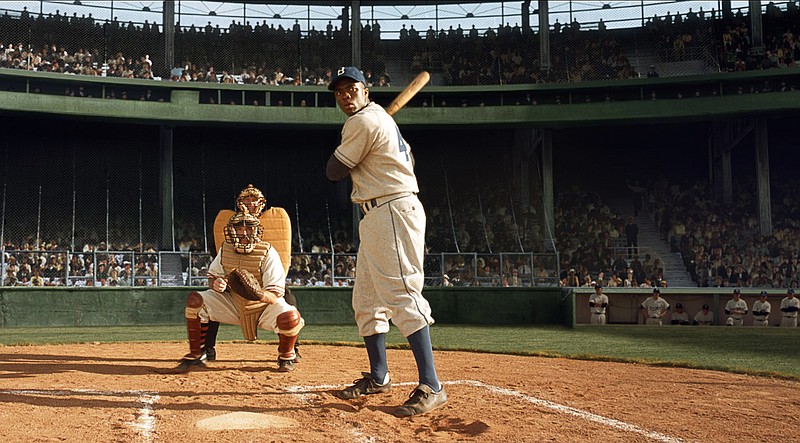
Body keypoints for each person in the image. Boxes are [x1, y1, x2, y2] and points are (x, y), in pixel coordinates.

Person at [325, 66, 447, 417]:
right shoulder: (379, 121)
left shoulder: (364, 122)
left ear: (366, 91)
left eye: (352, 89)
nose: (345, 95)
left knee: (401, 294)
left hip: (392, 207)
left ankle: (432, 385)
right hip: (378, 211)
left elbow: (333, 171)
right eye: (339, 91)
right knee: (366, 299)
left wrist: (345, 150)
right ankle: (379, 376)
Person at [175, 212, 304, 372]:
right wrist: (216, 283)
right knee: (196, 301)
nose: (243, 232)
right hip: (233, 303)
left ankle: (286, 356)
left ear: (257, 231)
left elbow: (275, 294)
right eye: (238, 228)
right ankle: (197, 353)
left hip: (262, 306)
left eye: (248, 228)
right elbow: (212, 276)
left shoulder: (268, 252)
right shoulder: (225, 249)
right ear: (231, 230)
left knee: (290, 317)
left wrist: (256, 293)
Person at [202, 184, 304, 363]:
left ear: (261, 203)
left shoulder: (272, 223)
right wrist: (221, 279)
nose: (250, 203)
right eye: (246, 200)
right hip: (235, 274)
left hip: (265, 275)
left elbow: (281, 249)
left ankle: (292, 347)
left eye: (254, 200)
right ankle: (206, 348)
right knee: (209, 298)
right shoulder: (230, 223)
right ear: (239, 203)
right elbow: (219, 246)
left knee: (288, 301)